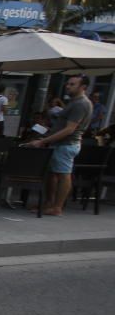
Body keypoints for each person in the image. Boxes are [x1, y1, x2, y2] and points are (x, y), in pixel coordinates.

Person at [26, 74, 93, 216]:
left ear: (83, 87)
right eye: (68, 83)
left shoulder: (80, 104)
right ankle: (49, 203)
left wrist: (43, 141)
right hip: (61, 144)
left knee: (63, 174)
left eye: (72, 84)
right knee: (53, 174)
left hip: (66, 144)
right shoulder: (74, 102)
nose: (68, 86)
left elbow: (70, 129)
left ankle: (57, 207)